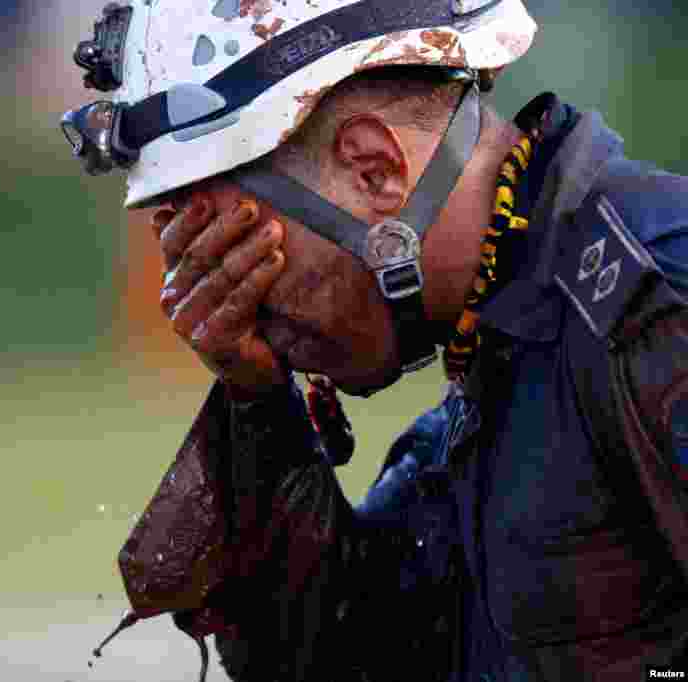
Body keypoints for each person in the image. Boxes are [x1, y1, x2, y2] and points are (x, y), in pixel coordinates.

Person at [61, 1, 688, 679]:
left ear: (374, 171)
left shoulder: (655, 309)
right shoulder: (498, 360)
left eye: (238, 243)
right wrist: (258, 402)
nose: (234, 302)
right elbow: (341, 660)